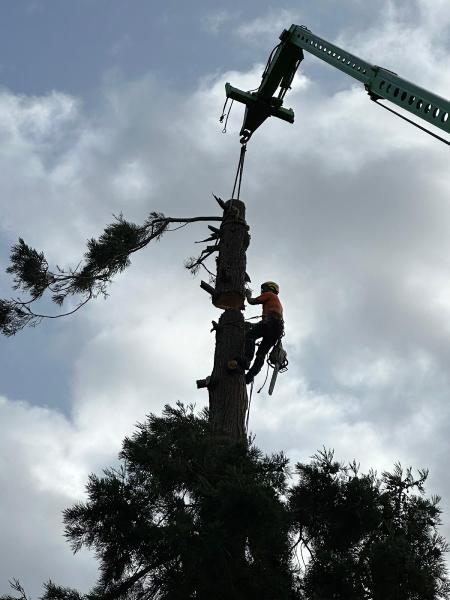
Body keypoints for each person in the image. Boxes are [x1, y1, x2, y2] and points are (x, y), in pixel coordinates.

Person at [244, 281, 284, 384]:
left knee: (249, 336)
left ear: (269, 288)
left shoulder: (270, 295)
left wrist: (248, 294)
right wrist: (252, 325)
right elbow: (270, 321)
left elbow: (252, 301)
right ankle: (250, 376)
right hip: (276, 329)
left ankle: (246, 360)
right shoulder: (277, 303)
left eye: (264, 289)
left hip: (270, 324)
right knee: (261, 354)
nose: (262, 291)